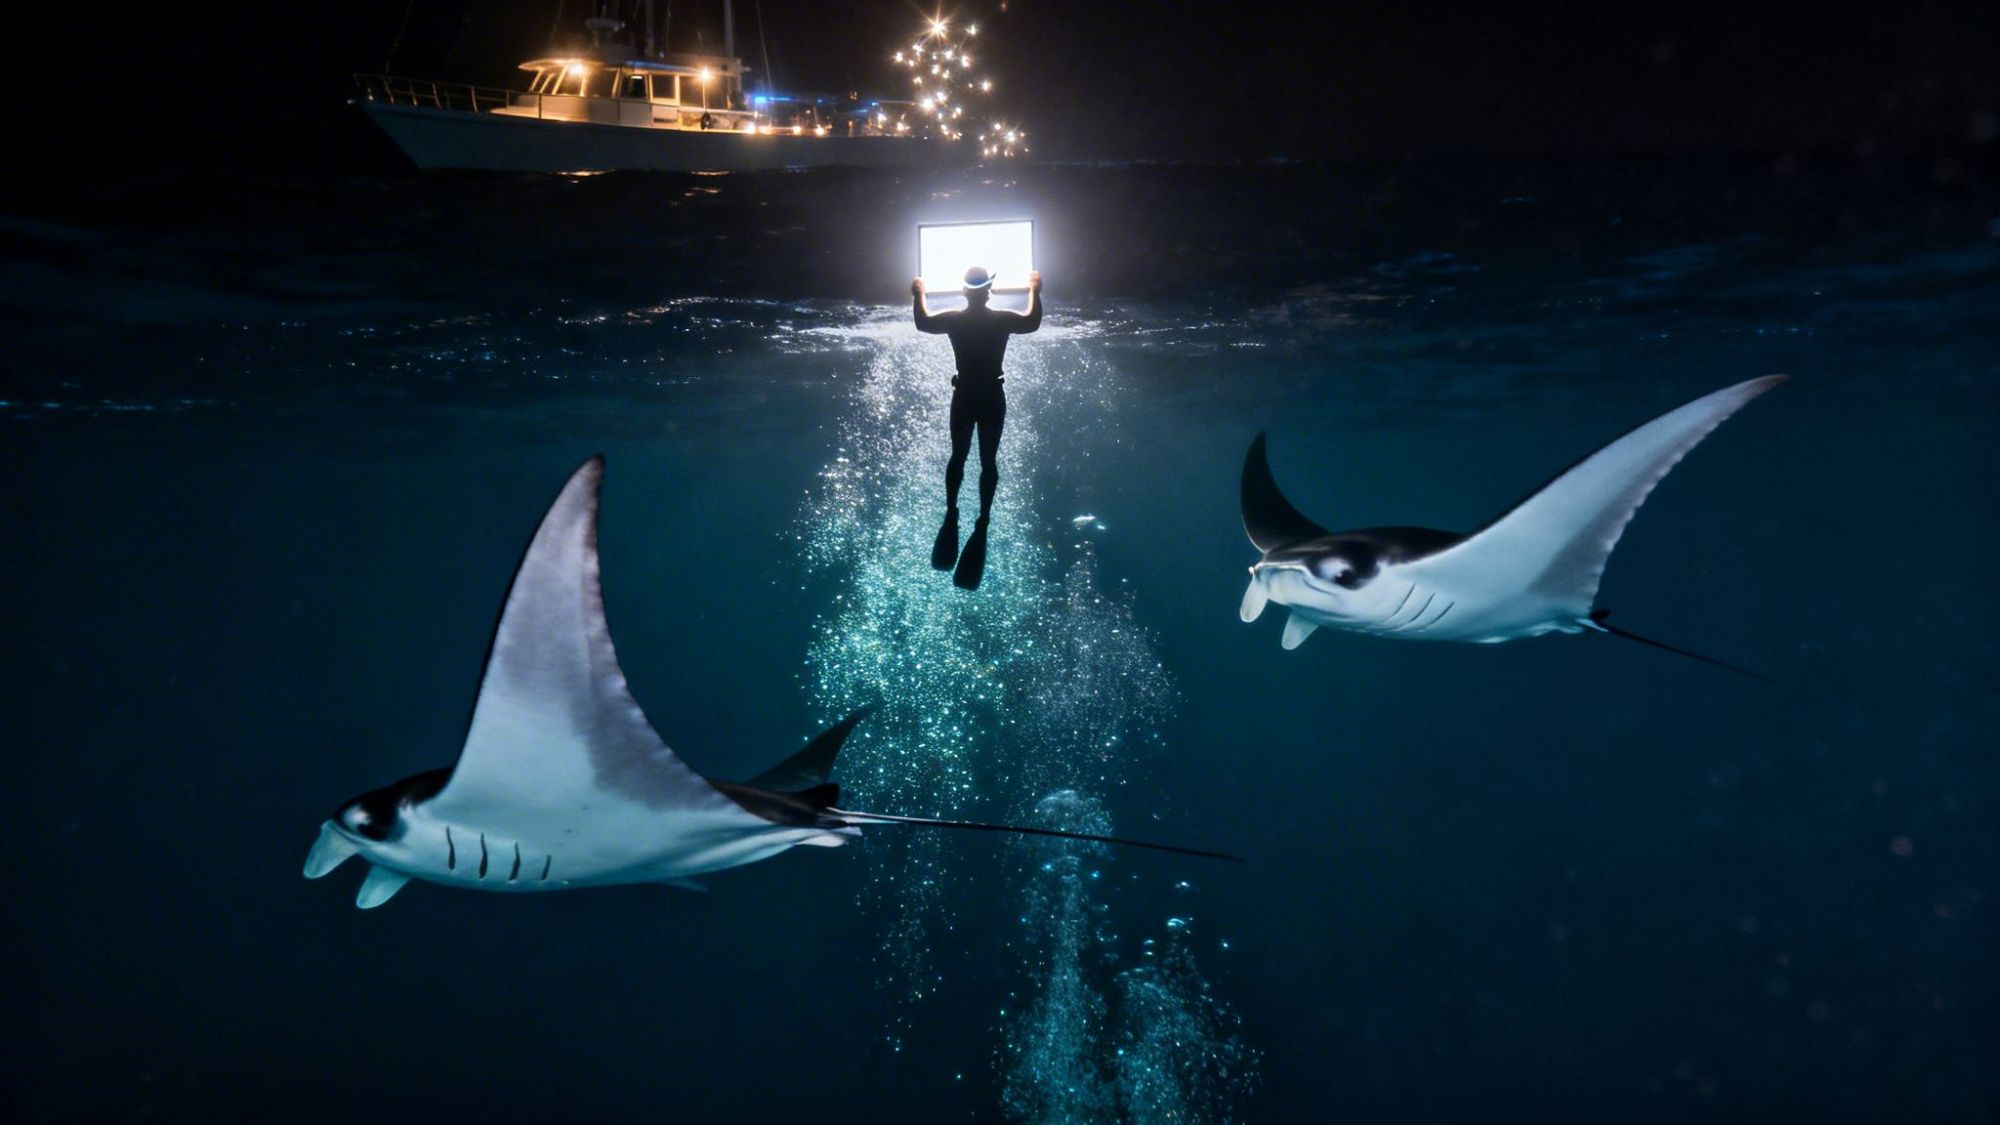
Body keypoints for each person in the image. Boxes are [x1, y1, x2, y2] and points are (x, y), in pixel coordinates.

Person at [913, 265, 1044, 588]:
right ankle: (983, 518)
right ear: (990, 289)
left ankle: (951, 510)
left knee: (958, 456)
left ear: (963, 290)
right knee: (988, 460)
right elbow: (1032, 322)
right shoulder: (1001, 319)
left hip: (965, 392)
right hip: (991, 393)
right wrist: (1034, 289)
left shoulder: (955, 319)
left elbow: (922, 323)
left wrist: (919, 294)